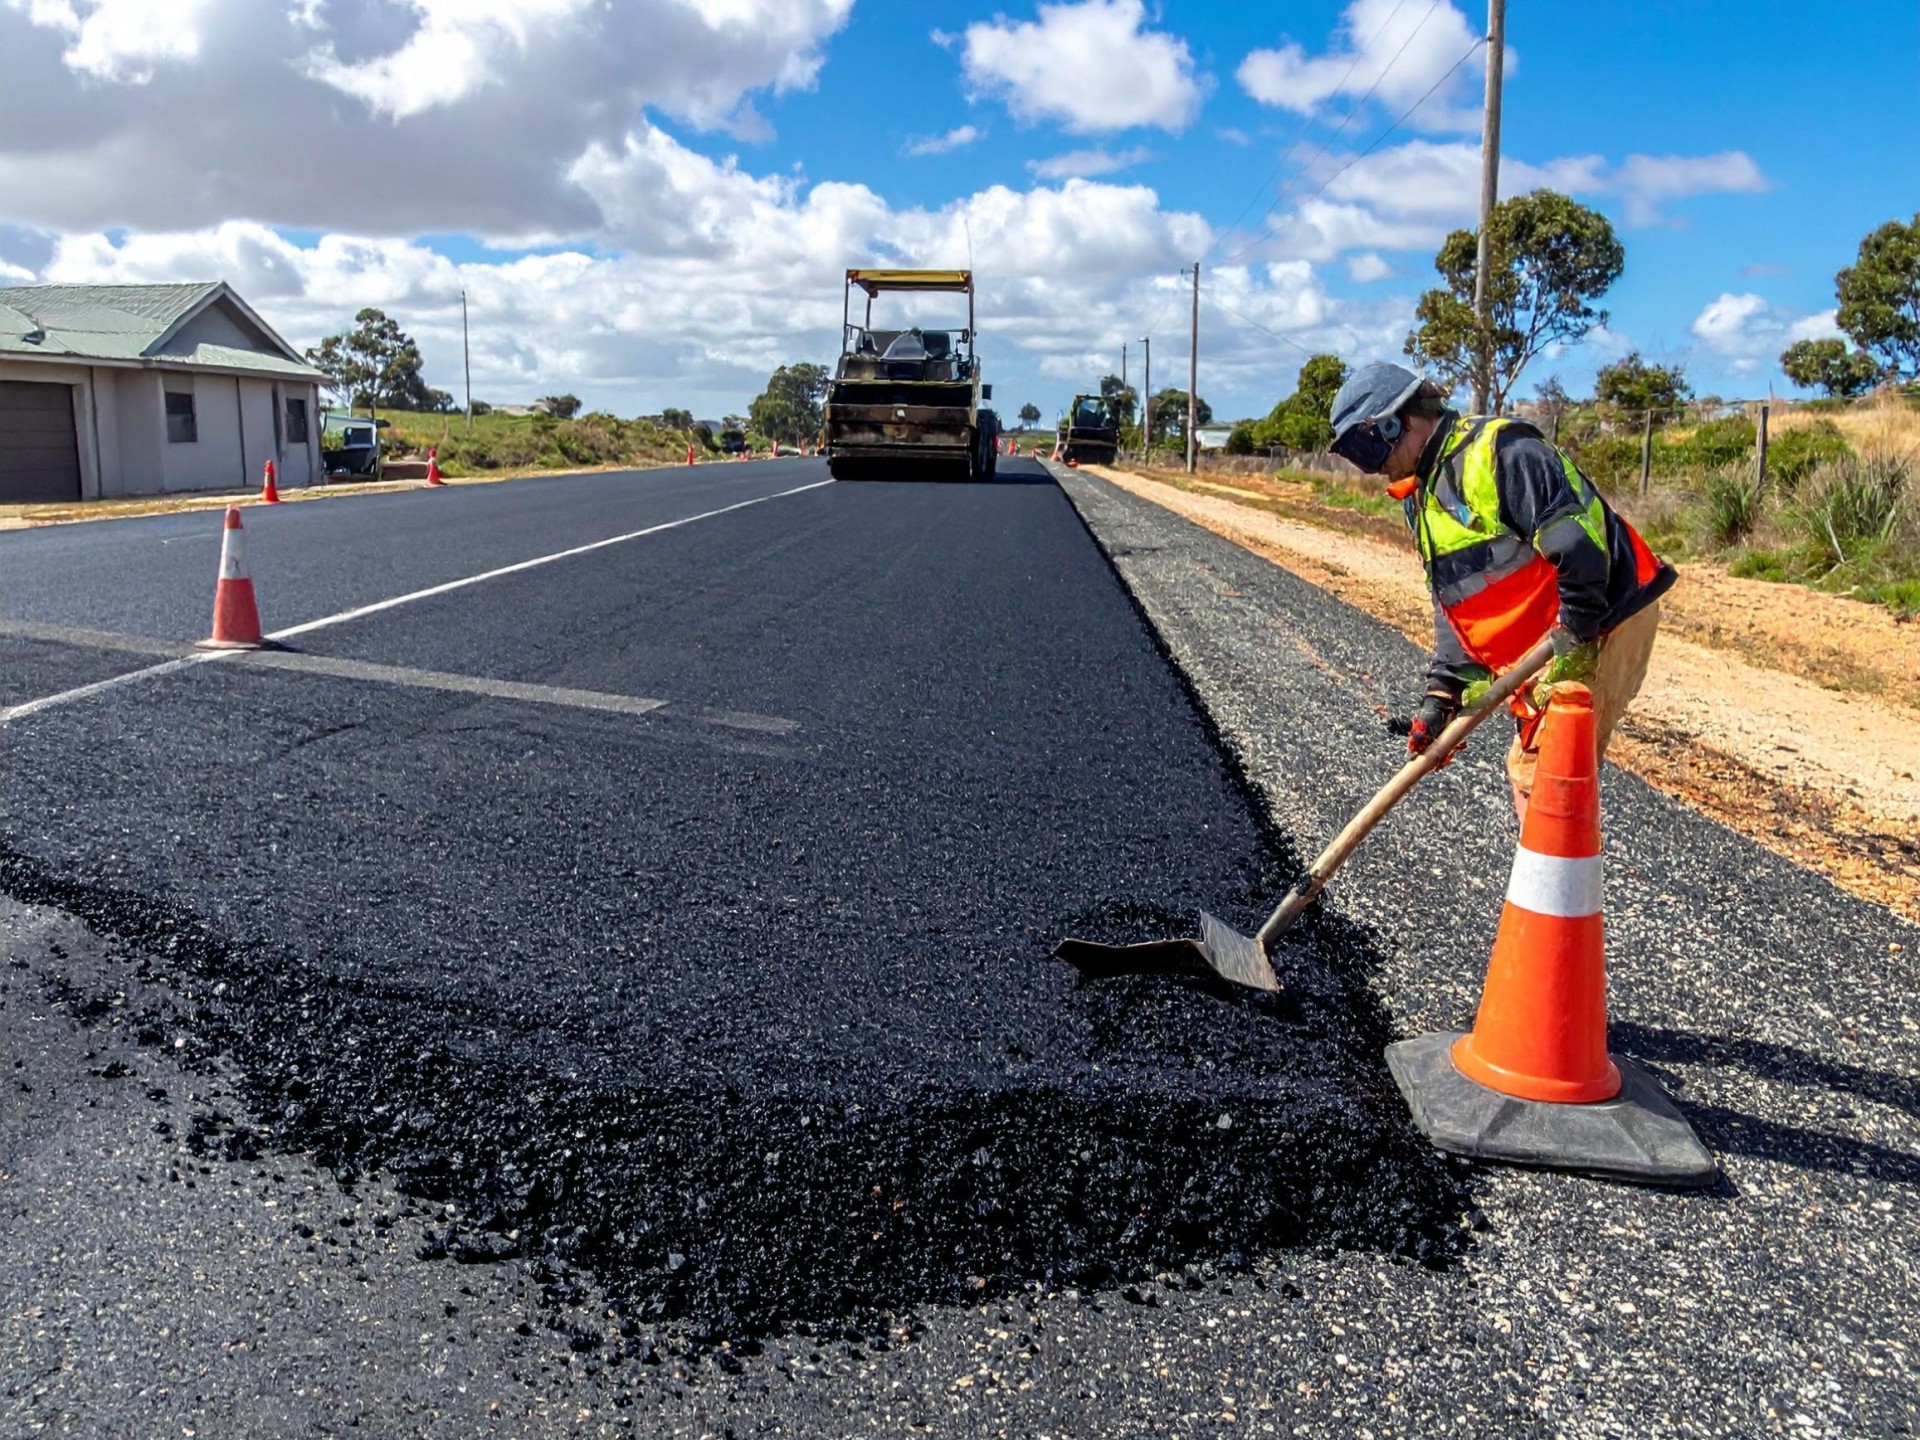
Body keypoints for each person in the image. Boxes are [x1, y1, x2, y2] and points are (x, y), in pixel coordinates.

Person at [1326, 362, 1675, 820]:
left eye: (1366, 449)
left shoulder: (1501, 453)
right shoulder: (1422, 495)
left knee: (1544, 775)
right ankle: (1550, 884)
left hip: (1601, 619)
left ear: (1397, 422)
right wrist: (1444, 694)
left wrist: (1571, 643)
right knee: (1537, 778)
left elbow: (1578, 548)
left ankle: (1556, 888)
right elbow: (1457, 601)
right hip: (1552, 634)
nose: (1371, 469)